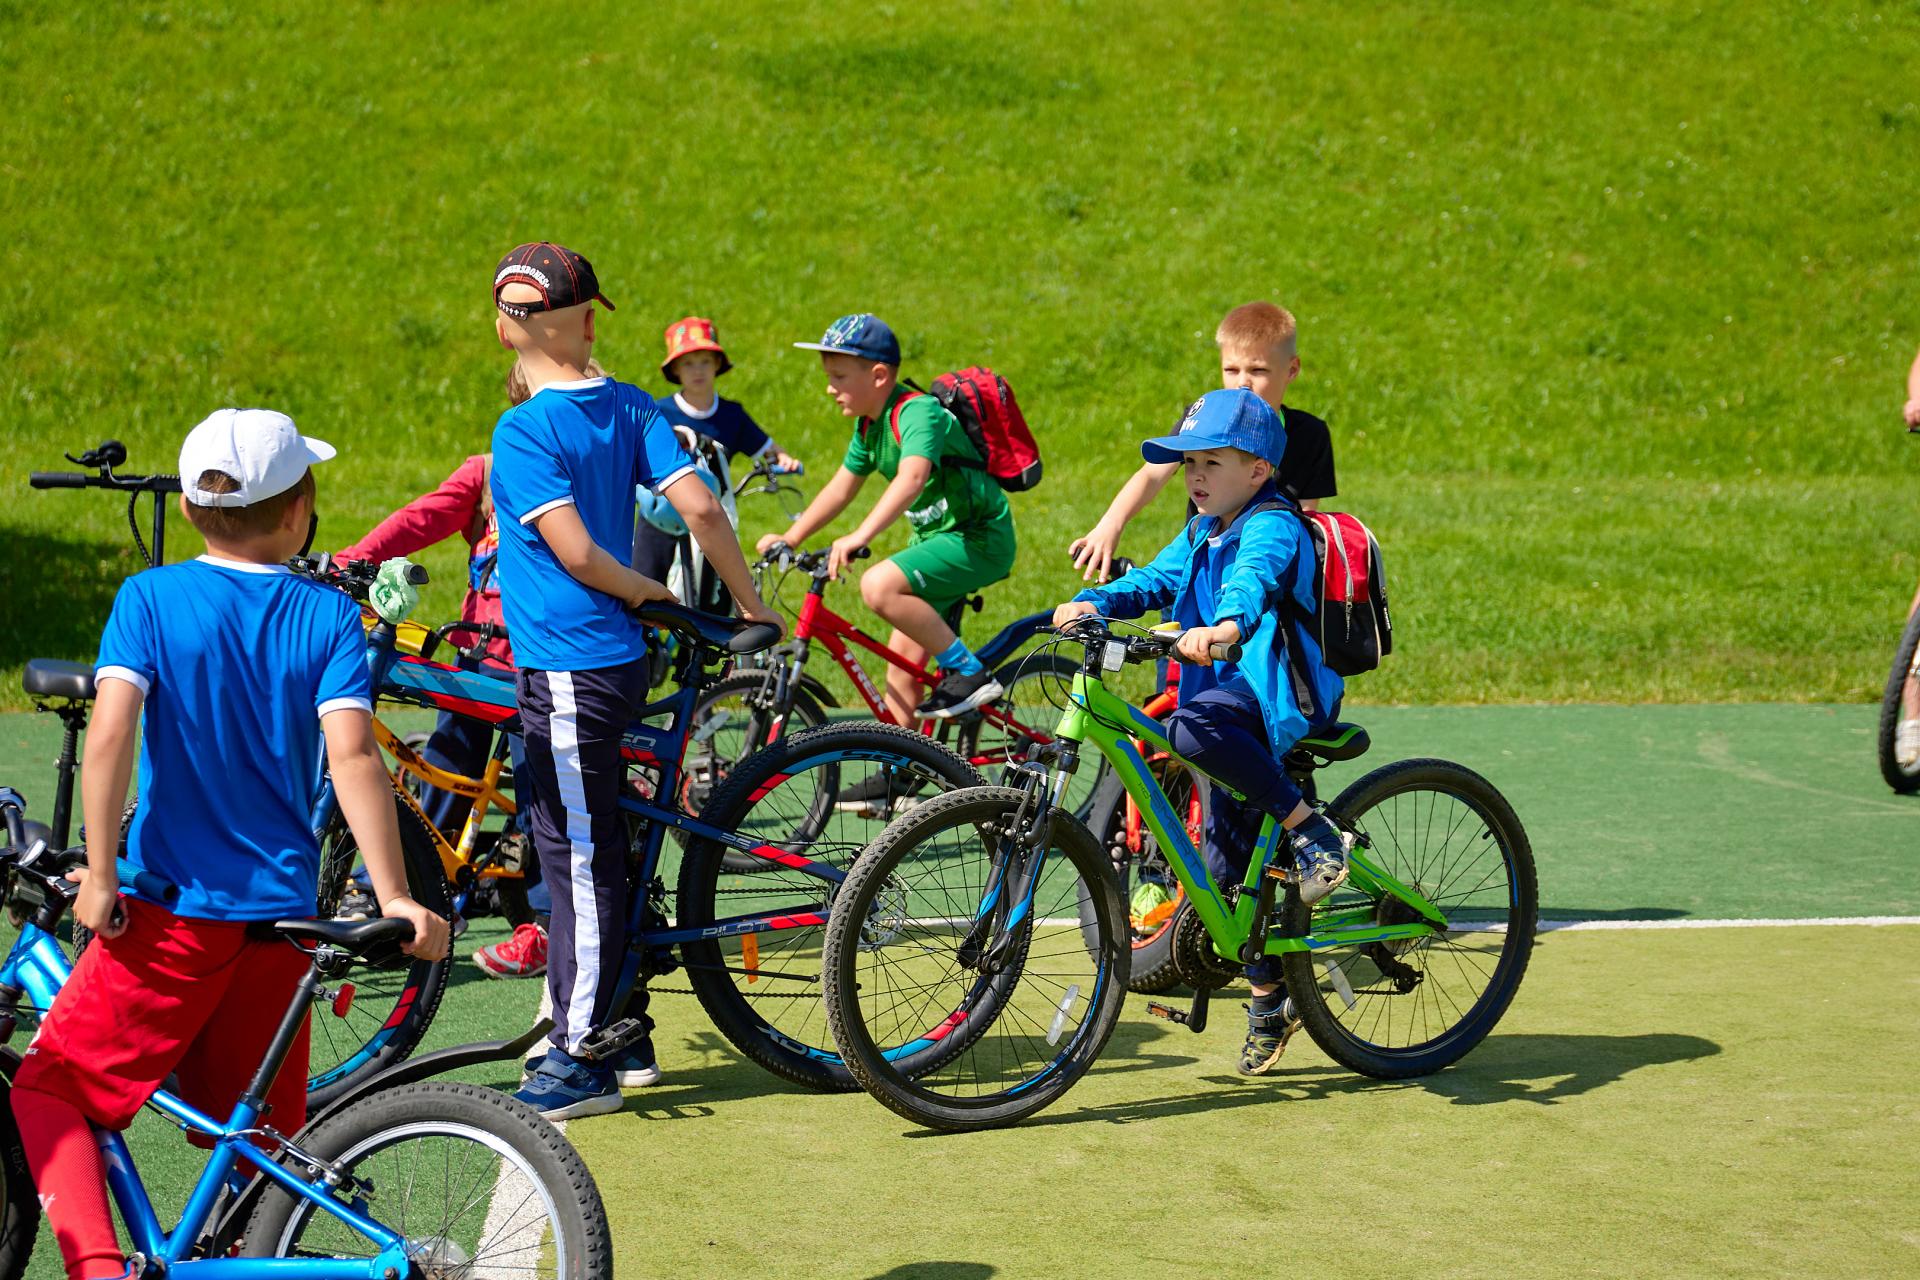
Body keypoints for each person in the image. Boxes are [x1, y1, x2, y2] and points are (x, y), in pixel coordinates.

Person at [12, 408, 449, 1280]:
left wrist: (100, 874)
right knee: (257, 1148)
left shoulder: (150, 599)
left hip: (174, 915)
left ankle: (96, 1268)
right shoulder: (328, 616)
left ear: (185, 509)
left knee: (50, 1087)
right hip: (280, 923)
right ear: (300, 511)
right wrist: (397, 894)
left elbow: (111, 735)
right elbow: (353, 759)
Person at [487, 242, 782, 1119]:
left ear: (509, 326)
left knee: (578, 859)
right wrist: (749, 606)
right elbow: (701, 507)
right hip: (612, 659)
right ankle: (620, 1022)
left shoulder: (522, 430)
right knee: (596, 843)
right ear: (577, 322)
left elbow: (577, 553)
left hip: (568, 662)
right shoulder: (628, 405)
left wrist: (648, 590)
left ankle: (582, 1055)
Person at [1053, 389, 1347, 1078]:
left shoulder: (1273, 525)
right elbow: (1155, 580)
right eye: (1188, 464)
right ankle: (1271, 1000)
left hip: (1274, 695)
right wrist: (1090, 603)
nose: (1195, 476)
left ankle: (1315, 832)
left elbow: (1253, 583)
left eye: (1212, 462)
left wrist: (1223, 627)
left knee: (1189, 730)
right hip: (1221, 705)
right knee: (1218, 880)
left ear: (1258, 470)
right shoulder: (1201, 531)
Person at [336, 360, 599, 979]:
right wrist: (351, 562)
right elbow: (419, 519)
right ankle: (395, 889)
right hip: (481, 656)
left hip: (547, 662)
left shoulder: (588, 475)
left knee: (543, 787)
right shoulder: (486, 473)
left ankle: (547, 922)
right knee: (446, 763)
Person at [756, 313, 1018, 729]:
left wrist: (858, 536)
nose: (830, 388)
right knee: (901, 674)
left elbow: (912, 477)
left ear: (878, 376)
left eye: (839, 377)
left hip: (979, 539)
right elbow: (840, 489)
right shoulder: (869, 427)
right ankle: (905, 763)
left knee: (878, 585)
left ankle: (969, 672)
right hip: (937, 542)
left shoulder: (918, 413)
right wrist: (791, 537)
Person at [1070, 301, 1337, 584]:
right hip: (1203, 565)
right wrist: (1111, 524)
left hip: (1266, 573)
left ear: (1292, 369)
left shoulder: (1311, 435)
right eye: (1231, 369)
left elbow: (1306, 519)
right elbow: (1152, 475)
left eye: (1258, 370)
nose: (1243, 383)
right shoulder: (1204, 420)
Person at [633, 317, 802, 606]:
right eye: (688, 363)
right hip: (661, 513)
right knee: (644, 592)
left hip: (711, 517)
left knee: (716, 599)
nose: (697, 370)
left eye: (705, 362)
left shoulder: (731, 415)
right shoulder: (659, 412)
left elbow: (767, 449)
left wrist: (783, 459)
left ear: (717, 365)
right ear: (675, 369)